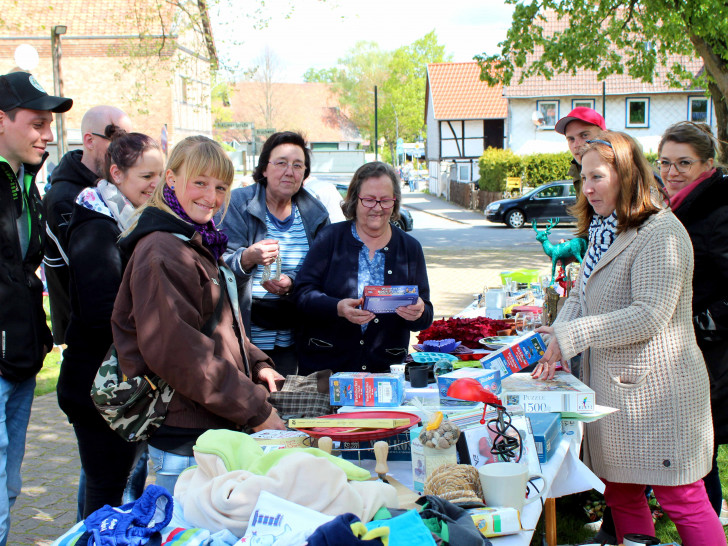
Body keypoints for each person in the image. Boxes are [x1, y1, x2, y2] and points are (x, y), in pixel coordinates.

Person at [533, 131, 725, 545]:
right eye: (583, 178)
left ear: (626, 174)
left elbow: (648, 315)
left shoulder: (661, 232)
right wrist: (556, 335)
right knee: (621, 494)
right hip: (617, 398)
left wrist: (574, 334)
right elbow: (582, 295)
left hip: (659, 397)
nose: (587, 188)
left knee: (683, 499)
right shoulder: (606, 227)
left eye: (597, 177)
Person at [111, 136, 285, 494]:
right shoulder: (162, 249)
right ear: (171, 180)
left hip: (210, 425)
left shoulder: (193, 240)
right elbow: (180, 351)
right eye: (200, 182)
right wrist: (255, 409)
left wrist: (258, 363)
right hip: (187, 439)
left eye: (221, 187)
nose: (212, 197)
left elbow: (220, 324)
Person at [57, 128, 163, 517]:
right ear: (116, 174)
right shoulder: (96, 227)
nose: (155, 186)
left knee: (114, 485)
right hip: (97, 386)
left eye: (159, 176)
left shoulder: (127, 220)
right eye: (146, 177)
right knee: (105, 492)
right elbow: (103, 313)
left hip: (115, 383)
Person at [0, 71, 71, 545]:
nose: (47, 135)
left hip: (22, 358)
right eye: (37, 123)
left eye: (50, 125)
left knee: (8, 486)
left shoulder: (26, 180)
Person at [294, 161, 433, 375]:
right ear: (354, 200)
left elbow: (425, 316)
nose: (377, 208)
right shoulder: (330, 239)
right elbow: (302, 295)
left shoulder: (410, 248)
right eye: (369, 200)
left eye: (385, 200)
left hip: (384, 372)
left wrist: (419, 311)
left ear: (394, 203)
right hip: (328, 371)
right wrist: (337, 307)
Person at [657, 121, 728, 519]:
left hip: (711, 355)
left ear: (707, 164)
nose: (672, 172)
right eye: (665, 162)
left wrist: (696, 325)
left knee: (701, 455)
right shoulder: (679, 206)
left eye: (684, 163)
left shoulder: (717, 210)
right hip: (688, 351)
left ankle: (707, 525)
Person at [220, 131, 329, 377]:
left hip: (295, 335)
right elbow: (215, 265)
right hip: (245, 335)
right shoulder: (237, 204)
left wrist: (291, 281)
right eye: (281, 163)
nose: (289, 171)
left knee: (288, 400)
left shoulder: (315, 213)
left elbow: (326, 271)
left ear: (304, 174)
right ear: (265, 169)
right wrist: (247, 258)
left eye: (297, 165)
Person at [43, 105, 132, 345]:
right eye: (116, 139)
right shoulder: (64, 198)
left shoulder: (113, 187)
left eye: (129, 140)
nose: (125, 150)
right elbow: (96, 274)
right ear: (89, 140)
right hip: (89, 338)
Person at [554, 107, 607, 193]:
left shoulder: (618, 168)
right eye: (571, 139)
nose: (576, 145)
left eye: (584, 135)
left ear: (604, 135)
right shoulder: (577, 169)